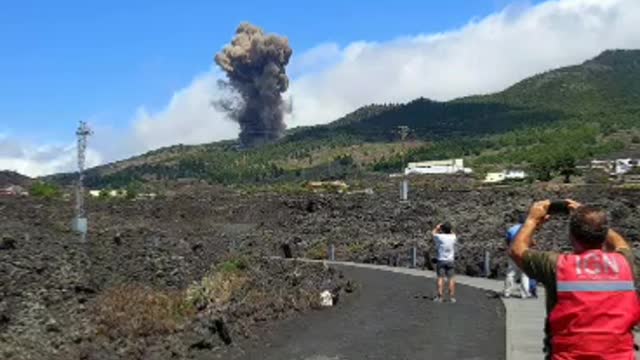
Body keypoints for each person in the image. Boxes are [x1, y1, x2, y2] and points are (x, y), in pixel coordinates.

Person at [509, 199, 640, 359]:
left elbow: (517, 250)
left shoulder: (557, 266)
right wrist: (591, 218)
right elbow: (620, 243)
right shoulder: (625, 262)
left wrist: (533, 220)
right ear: (604, 234)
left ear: (571, 236)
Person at [504, 213, 533, 298]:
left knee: (511, 273)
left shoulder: (511, 229)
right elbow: (531, 242)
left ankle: (507, 292)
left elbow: (507, 241)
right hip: (524, 253)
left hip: (513, 252)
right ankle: (524, 293)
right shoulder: (529, 230)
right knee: (525, 273)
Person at [432, 222, 458, 303]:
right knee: (451, 278)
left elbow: (433, 233)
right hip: (450, 260)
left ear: (442, 229)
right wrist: (449, 229)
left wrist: (437, 227)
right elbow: (453, 233)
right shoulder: (453, 237)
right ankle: (452, 297)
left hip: (441, 260)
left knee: (440, 277)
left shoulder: (440, 237)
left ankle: (440, 296)